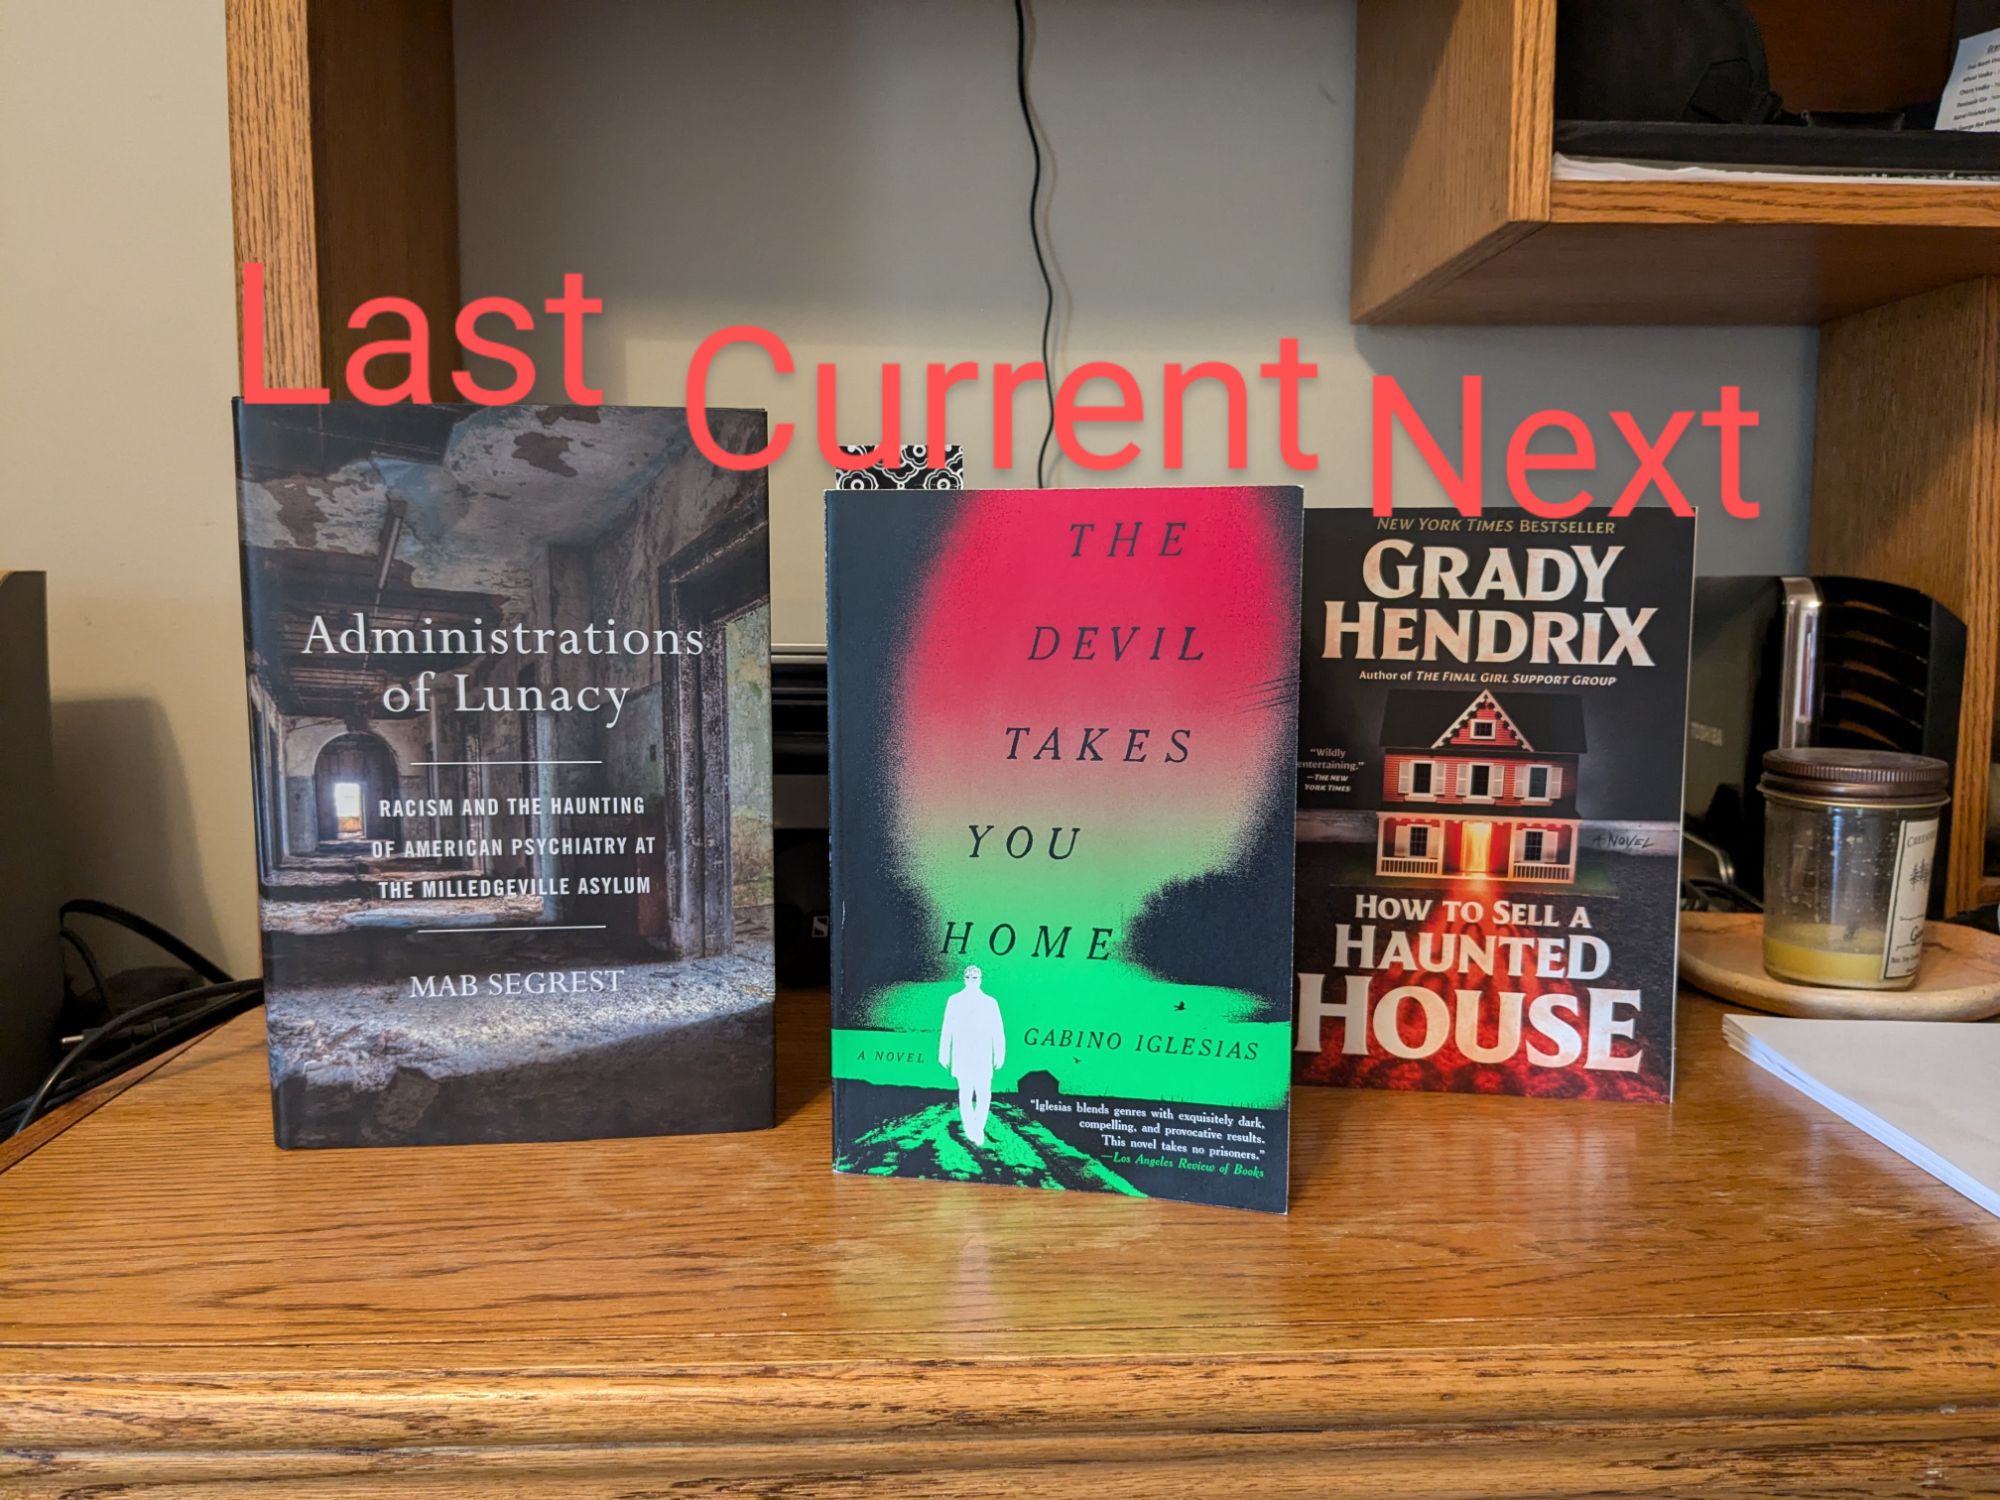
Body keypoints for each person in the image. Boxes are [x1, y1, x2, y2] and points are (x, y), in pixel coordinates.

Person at [937, 964, 1005, 1146]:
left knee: (984, 1094)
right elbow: (947, 1028)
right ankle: (970, 1129)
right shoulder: (954, 1000)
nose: (972, 980)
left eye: (975, 978)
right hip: (962, 1054)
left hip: (983, 1054)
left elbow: (998, 1030)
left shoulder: (990, 1002)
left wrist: (1000, 1053)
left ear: (980, 980)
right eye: (968, 977)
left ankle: (978, 1128)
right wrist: (943, 1053)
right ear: (964, 979)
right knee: (965, 1093)